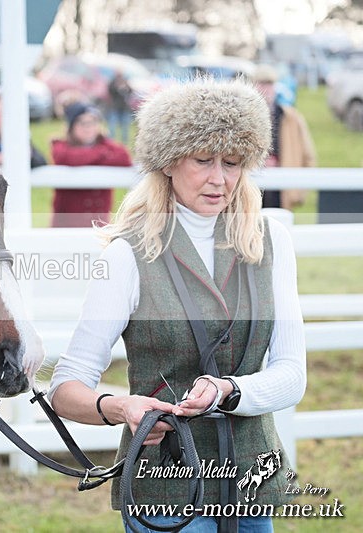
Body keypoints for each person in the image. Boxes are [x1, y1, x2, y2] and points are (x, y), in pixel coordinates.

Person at [49, 78, 306, 532]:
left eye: (232, 163)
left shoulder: (271, 243)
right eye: (203, 160)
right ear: (168, 163)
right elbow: (66, 388)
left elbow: (292, 375)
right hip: (165, 487)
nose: (220, 179)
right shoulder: (127, 254)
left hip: (251, 482)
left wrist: (230, 391)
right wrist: (122, 407)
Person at [50, 102, 132, 227]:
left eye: (93, 122)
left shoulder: (106, 144)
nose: (88, 127)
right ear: (71, 126)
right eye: (82, 122)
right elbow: (68, 157)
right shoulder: (61, 146)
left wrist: (100, 145)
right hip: (66, 226)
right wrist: (101, 154)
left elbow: (124, 157)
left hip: (98, 227)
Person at [253, 64, 316, 210]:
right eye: (262, 83)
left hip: (282, 194)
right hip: (252, 193)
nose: (266, 89)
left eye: (269, 84)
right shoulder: (244, 118)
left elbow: (308, 157)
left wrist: (298, 193)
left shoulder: (292, 118)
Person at [0, 91, 47, 168]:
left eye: (10, 115)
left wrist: (29, 156)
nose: (8, 120)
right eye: (2, 114)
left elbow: (41, 162)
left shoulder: (14, 132)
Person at [106, 69, 133, 145]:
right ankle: (111, 141)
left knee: (125, 125)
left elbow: (131, 91)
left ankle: (125, 141)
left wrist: (126, 87)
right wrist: (117, 87)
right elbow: (110, 91)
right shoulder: (113, 82)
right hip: (115, 107)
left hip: (124, 107)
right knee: (112, 125)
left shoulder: (125, 81)